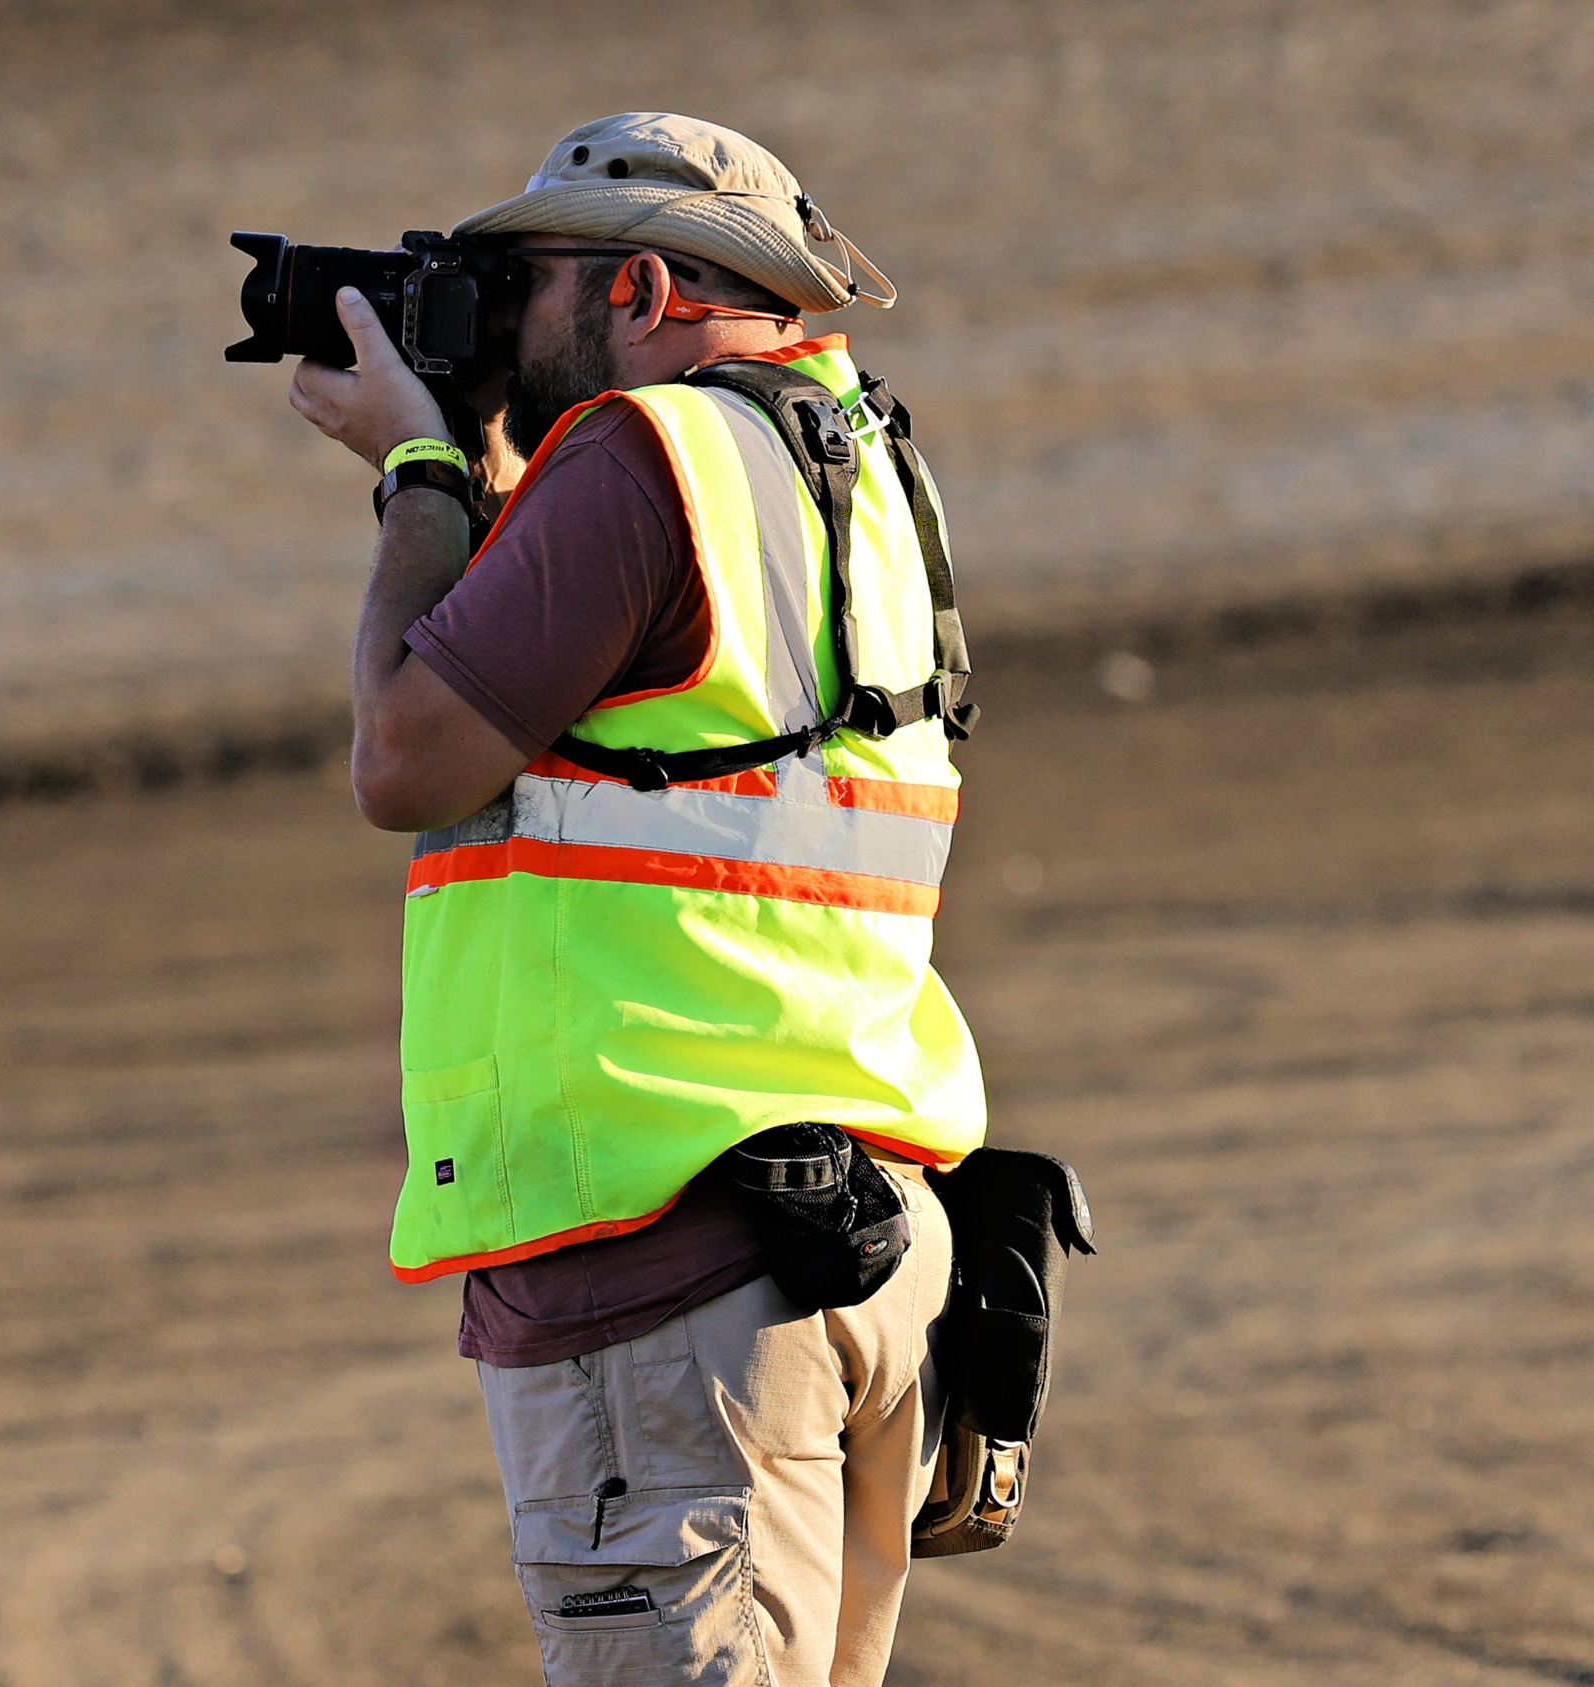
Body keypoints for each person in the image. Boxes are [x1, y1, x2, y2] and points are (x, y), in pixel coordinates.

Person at [286, 112, 987, 1687]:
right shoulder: (860, 459)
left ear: (643, 289)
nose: (492, 314)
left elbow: (405, 759)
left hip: (676, 1261)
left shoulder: (643, 454)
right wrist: (483, 461)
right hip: (865, 1236)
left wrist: (415, 472)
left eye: (523, 279)